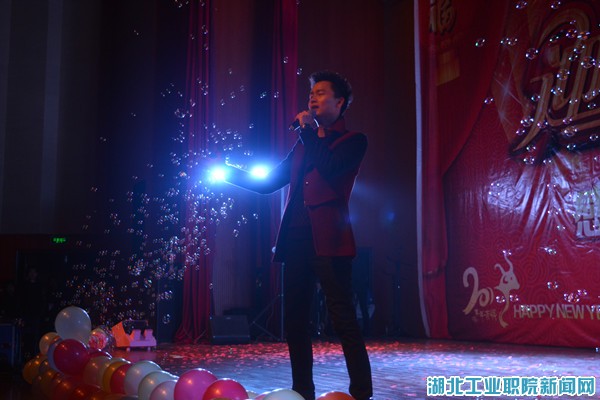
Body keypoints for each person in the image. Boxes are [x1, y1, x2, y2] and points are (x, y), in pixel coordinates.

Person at [225, 70, 373, 400]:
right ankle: (302, 391)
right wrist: (226, 173)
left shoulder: (354, 141)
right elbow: (268, 183)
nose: (312, 98)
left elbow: (331, 167)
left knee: (343, 318)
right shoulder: (303, 144)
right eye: (311, 93)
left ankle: (362, 392)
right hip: (295, 240)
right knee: (295, 320)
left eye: (321, 93)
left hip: (331, 240)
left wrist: (307, 131)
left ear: (339, 102)